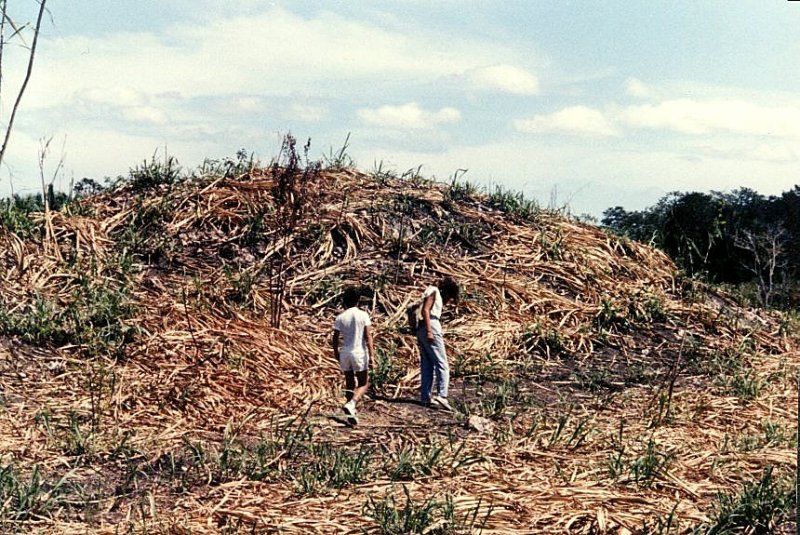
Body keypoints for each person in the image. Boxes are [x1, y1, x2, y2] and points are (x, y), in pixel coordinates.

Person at [332, 286, 374, 425]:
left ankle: (351, 415)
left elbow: (335, 338)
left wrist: (336, 353)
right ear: (358, 300)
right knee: (363, 383)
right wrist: (372, 356)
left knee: (350, 382)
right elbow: (368, 336)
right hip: (359, 352)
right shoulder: (363, 315)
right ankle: (352, 404)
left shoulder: (340, 317)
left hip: (345, 352)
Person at [417, 276, 459, 411]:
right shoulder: (434, 291)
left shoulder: (431, 291)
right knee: (442, 364)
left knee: (427, 364)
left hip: (422, 328)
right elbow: (425, 310)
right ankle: (442, 395)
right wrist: (430, 331)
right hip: (431, 325)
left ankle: (425, 397)